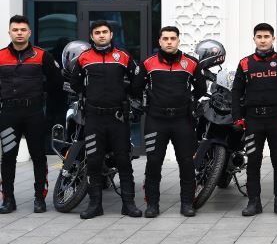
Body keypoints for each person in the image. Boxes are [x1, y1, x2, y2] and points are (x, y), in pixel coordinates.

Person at [69, 20, 140, 219]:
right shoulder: (84, 57)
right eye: (97, 32)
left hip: (118, 118)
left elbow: (136, 79)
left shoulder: (123, 56)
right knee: (93, 161)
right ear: (92, 36)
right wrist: (88, 94)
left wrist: (125, 93)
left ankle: (129, 204)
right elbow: (75, 82)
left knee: (123, 161)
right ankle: (95, 205)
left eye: (105, 32)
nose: (101, 35)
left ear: (111, 35)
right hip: (94, 118)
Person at [135, 26, 206, 218]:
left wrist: (189, 101)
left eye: (172, 38)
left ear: (178, 40)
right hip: (156, 120)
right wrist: (147, 104)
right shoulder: (148, 63)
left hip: (182, 120)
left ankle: (187, 204)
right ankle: (152, 205)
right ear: (159, 41)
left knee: (187, 163)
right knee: (153, 162)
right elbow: (136, 88)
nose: (169, 42)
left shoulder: (191, 63)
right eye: (165, 38)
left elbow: (200, 88)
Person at [231, 23, 277, 217]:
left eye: (266, 36)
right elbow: (236, 92)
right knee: (253, 162)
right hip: (253, 120)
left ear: (273, 38)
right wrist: (237, 118)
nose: (263, 40)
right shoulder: (245, 63)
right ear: (254, 39)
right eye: (259, 37)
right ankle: (254, 202)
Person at [0, 15, 62, 214]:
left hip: (34, 113)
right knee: (8, 157)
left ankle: (39, 198)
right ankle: (8, 199)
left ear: (29, 32)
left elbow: (56, 83)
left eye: (22, 30)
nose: (19, 33)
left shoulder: (42, 56)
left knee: (38, 156)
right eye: (15, 30)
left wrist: (44, 99)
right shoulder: (0, 56)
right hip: (8, 113)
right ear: (9, 32)